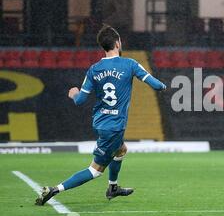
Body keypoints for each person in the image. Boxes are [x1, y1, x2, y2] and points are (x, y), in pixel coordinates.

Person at [36, 25, 166, 206]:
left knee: (121, 150)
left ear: (103, 47)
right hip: (114, 126)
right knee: (95, 170)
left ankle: (113, 187)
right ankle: (54, 189)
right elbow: (158, 86)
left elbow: (80, 100)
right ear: (118, 43)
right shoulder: (130, 64)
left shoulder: (94, 69)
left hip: (100, 121)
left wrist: (73, 92)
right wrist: (164, 86)